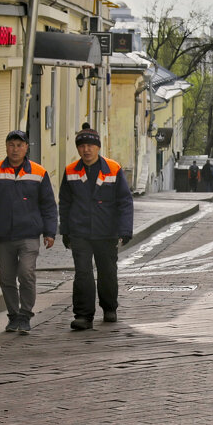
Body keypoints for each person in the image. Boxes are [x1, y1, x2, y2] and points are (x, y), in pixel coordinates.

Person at [0, 130, 57, 334]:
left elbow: (48, 205)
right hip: (3, 235)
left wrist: (50, 232)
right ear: (6, 147)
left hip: (29, 234)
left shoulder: (38, 173)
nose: (15, 149)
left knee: (26, 273)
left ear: (26, 147)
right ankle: (13, 316)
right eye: (11, 145)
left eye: (19, 145)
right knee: (6, 278)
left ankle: (26, 314)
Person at [59, 123, 133, 330]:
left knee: (107, 271)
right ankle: (83, 315)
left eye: (91, 145)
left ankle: (109, 308)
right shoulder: (71, 171)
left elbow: (125, 201)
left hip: (106, 231)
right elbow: (64, 203)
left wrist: (125, 229)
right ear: (78, 149)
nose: (86, 149)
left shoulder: (113, 168)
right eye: (82, 146)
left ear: (98, 147)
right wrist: (64, 230)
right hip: (80, 231)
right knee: (82, 273)